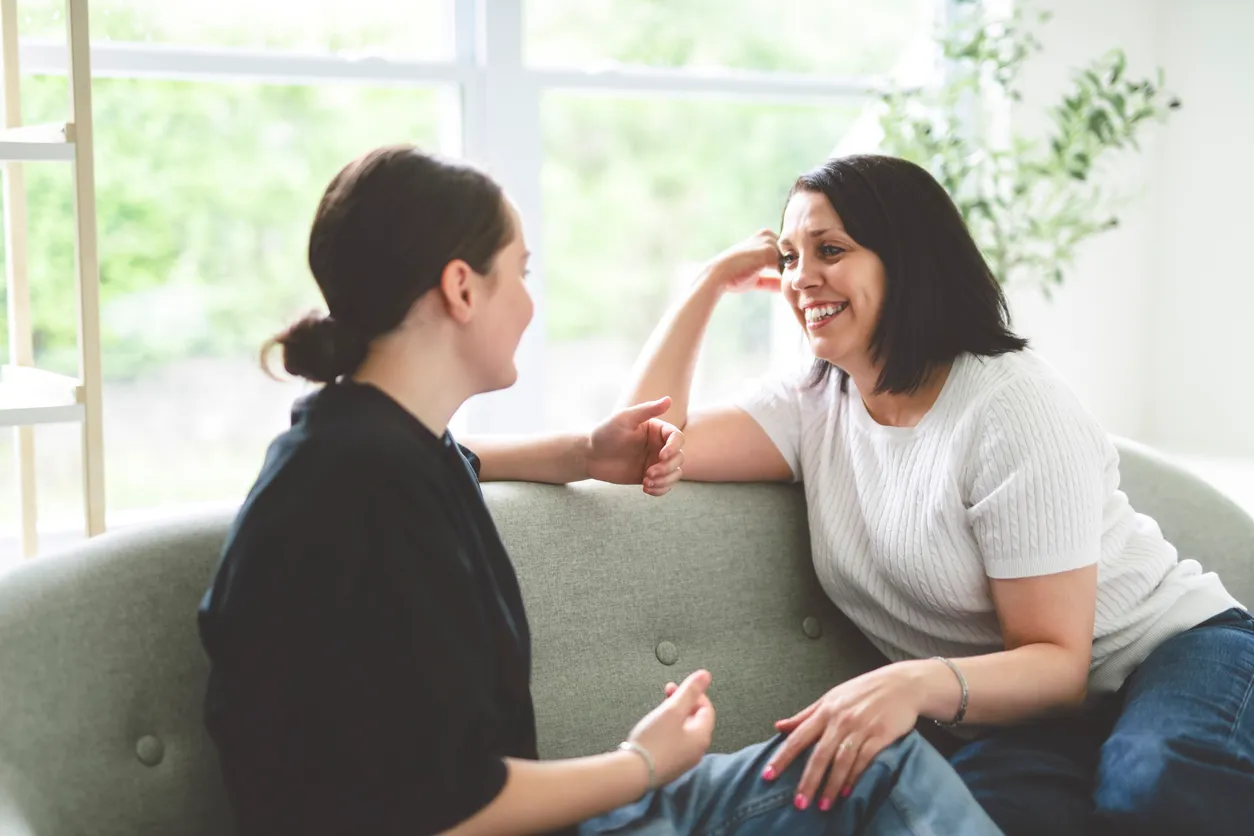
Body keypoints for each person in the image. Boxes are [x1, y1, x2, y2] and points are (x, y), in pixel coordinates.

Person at [197, 145, 1003, 836]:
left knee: (879, 760)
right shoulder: (359, 494)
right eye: (521, 272)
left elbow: (456, 458)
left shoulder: (363, 445)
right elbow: (447, 811)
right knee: (880, 769)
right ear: (461, 289)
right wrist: (641, 762)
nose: (531, 303)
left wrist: (583, 451)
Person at [620, 152, 1254, 836]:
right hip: (1027, 719)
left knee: (1153, 793)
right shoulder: (811, 405)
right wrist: (707, 284)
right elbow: (634, 440)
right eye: (788, 256)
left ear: (908, 261)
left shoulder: (1010, 405)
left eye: (830, 250)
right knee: (959, 819)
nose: (801, 277)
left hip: (1173, 655)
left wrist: (913, 683)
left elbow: (1058, 665)